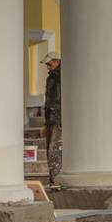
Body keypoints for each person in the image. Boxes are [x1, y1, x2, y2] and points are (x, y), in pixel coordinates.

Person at [41, 52, 62, 186]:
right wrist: (46, 123)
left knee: (54, 148)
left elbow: (58, 100)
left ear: (56, 61)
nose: (48, 67)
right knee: (51, 149)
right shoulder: (51, 77)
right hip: (51, 119)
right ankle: (53, 179)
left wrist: (57, 120)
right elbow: (49, 101)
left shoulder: (60, 76)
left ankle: (56, 178)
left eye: (49, 64)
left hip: (58, 118)